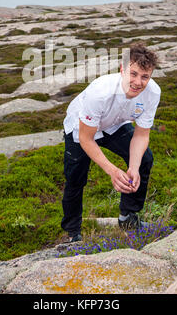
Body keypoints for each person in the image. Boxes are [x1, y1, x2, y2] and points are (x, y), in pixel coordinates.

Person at [61, 42, 160, 242]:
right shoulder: (100, 91)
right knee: (75, 178)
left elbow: (141, 135)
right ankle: (72, 232)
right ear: (122, 70)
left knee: (144, 160)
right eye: (133, 74)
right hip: (81, 128)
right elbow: (86, 138)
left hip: (114, 123)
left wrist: (133, 166)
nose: (138, 82)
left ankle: (128, 217)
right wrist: (113, 171)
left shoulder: (153, 93)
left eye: (144, 76)